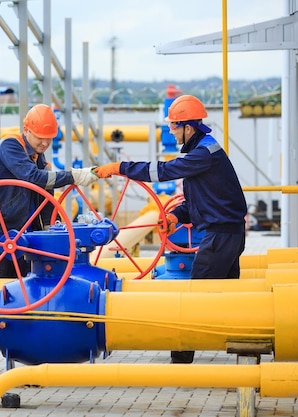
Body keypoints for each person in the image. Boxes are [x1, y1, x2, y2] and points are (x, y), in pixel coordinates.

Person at [93, 94, 247, 364]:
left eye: (173, 126)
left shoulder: (203, 153)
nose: (170, 130)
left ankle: (181, 358)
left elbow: (162, 172)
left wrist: (120, 168)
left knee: (194, 298)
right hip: (226, 232)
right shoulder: (201, 152)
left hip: (220, 235)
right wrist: (176, 216)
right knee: (227, 296)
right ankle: (243, 350)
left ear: (189, 127)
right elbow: (198, 200)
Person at [0, 103, 98, 376]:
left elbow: (44, 200)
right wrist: (72, 175)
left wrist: (51, 231)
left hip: (21, 241)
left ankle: (26, 355)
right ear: (26, 130)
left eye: (49, 138)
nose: (44, 142)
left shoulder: (39, 158)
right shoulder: (10, 147)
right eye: (39, 137)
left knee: (26, 297)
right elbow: (33, 179)